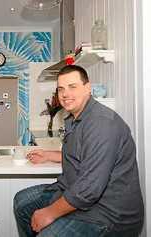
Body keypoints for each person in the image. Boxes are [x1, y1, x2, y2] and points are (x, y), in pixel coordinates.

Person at [14, 65, 144, 237]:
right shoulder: (76, 118)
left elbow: (89, 189)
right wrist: (48, 155)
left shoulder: (101, 124)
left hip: (109, 213)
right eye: (61, 89)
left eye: (72, 87)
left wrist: (50, 213)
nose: (65, 94)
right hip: (75, 192)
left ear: (87, 88)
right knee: (22, 202)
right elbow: (84, 156)